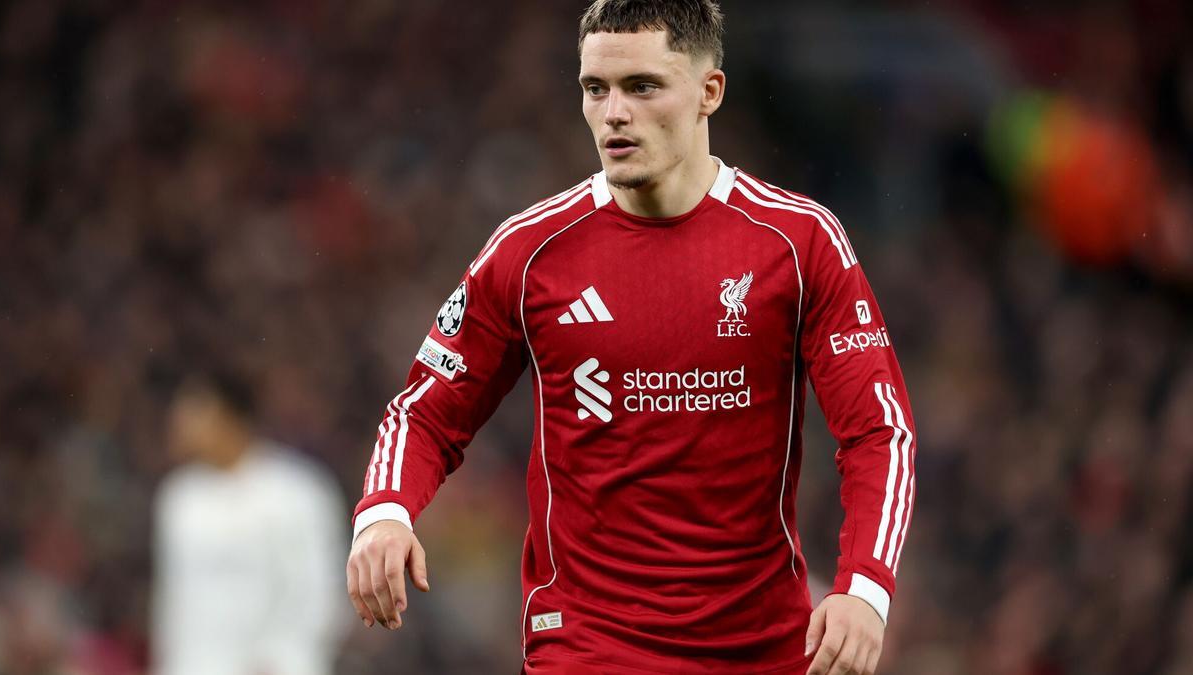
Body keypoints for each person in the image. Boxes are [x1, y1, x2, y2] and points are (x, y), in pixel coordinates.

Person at [347, 1, 918, 673]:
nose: (614, 112)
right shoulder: (529, 252)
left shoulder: (798, 243)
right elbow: (425, 412)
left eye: (642, 86)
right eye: (596, 89)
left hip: (759, 646)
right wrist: (384, 511)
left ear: (709, 91)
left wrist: (866, 586)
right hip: (586, 644)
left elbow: (878, 432)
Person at [154, 370, 349, 675]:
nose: (181, 423)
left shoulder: (296, 492)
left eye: (195, 412)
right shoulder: (180, 499)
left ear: (230, 416)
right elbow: (175, 602)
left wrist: (279, 659)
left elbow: (319, 592)